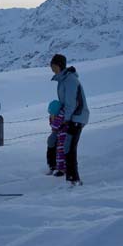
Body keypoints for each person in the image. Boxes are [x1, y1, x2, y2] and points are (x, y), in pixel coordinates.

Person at [50, 54, 90, 185]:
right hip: (71, 117)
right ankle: (69, 176)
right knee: (66, 146)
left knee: (69, 147)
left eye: (54, 65)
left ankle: (74, 179)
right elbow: (64, 102)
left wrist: (65, 120)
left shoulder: (70, 80)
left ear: (59, 65)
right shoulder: (63, 80)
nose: (51, 68)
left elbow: (71, 103)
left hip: (77, 117)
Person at [46, 100, 66, 177]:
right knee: (51, 143)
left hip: (62, 134)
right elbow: (52, 126)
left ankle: (61, 167)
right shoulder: (52, 117)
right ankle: (52, 166)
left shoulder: (61, 117)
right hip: (56, 133)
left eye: (53, 115)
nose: (51, 116)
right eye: (51, 115)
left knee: (60, 149)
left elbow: (56, 125)